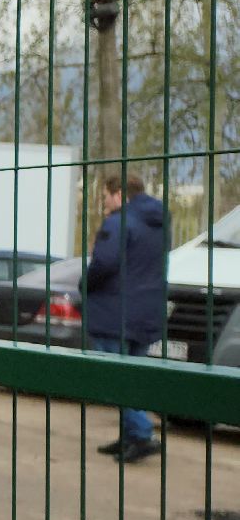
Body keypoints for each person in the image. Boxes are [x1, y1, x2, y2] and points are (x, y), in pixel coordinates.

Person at [84, 172, 169, 464]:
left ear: (119, 194)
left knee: (112, 379)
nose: (105, 202)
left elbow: (104, 262)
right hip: (145, 313)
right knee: (132, 377)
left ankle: (142, 433)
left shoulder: (119, 222)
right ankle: (129, 435)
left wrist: (86, 284)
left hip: (113, 313)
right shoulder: (158, 225)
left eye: (106, 196)